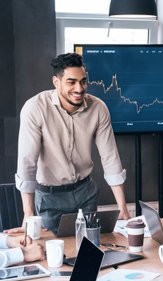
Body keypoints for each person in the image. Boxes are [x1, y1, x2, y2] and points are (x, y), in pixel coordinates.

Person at [9, 52, 129, 233]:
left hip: (85, 192)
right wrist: (28, 214)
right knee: (53, 254)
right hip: (50, 197)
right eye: (71, 82)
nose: (79, 88)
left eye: (83, 81)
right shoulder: (35, 108)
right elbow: (27, 162)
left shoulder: (98, 108)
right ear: (56, 82)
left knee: (90, 248)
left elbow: (110, 157)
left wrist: (123, 208)